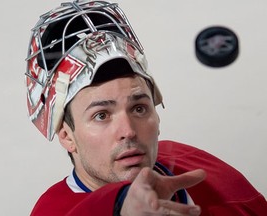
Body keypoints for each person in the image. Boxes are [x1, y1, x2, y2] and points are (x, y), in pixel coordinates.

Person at [25, 1, 267, 215]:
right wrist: (122, 206)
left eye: (139, 108)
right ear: (67, 136)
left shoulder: (207, 174)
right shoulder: (52, 210)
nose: (128, 131)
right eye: (101, 115)